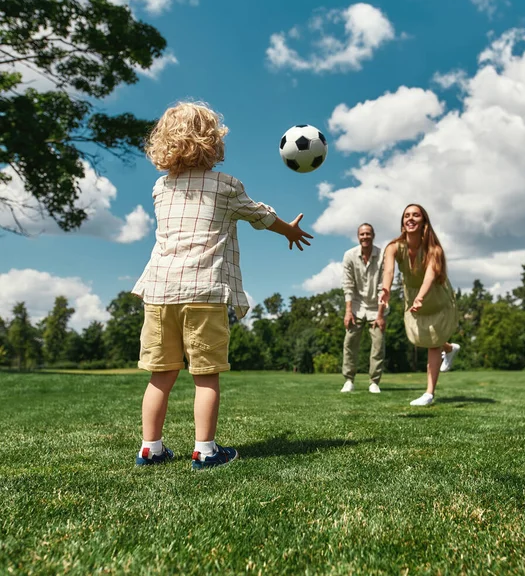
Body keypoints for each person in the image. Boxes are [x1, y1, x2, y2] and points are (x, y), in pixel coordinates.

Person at [132, 101, 312, 469]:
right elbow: (261, 215)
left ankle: (150, 448)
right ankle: (206, 450)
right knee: (206, 375)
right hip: (204, 290)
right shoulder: (226, 186)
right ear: (212, 142)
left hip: (160, 291)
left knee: (161, 375)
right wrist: (289, 230)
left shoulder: (160, 189)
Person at [379, 204, 459, 406]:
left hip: (435, 296)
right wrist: (386, 290)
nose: (410, 218)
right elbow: (388, 271)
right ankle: (448, 348)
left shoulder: (434, 249)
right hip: (412, 295)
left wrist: (421, 297)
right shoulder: (394, 247)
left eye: (416, 215)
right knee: (420, 338)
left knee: (432, 342)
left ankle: (429, 394)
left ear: (424, 221)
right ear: (402, 223)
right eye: (407, 216)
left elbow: (430, 276)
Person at [341, 223, 387, 394]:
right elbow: (348, 285)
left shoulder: (383, 255)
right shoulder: (349, 256)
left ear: (373, 235)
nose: (365, 237)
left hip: (377, 307)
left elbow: (384, 287)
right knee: (350, 343)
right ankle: (349, 380)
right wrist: (348, 312)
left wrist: (381, 315)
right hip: (356, 306)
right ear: (358, 236)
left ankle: (374, 381)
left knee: (378, 344)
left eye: (368, 234)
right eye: (362, 234)